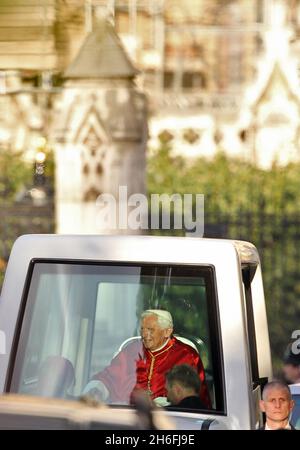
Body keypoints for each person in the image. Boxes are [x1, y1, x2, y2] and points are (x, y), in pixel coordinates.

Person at [84, 309, 210, 407]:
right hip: (127, 417)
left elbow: (195, 398)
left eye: (150, 330)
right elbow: (109, 376)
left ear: (167, 332)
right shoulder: (131, 351)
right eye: (142, 329)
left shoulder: (187, 355)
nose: (144, 335)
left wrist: (167, 404)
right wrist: (98, 388)